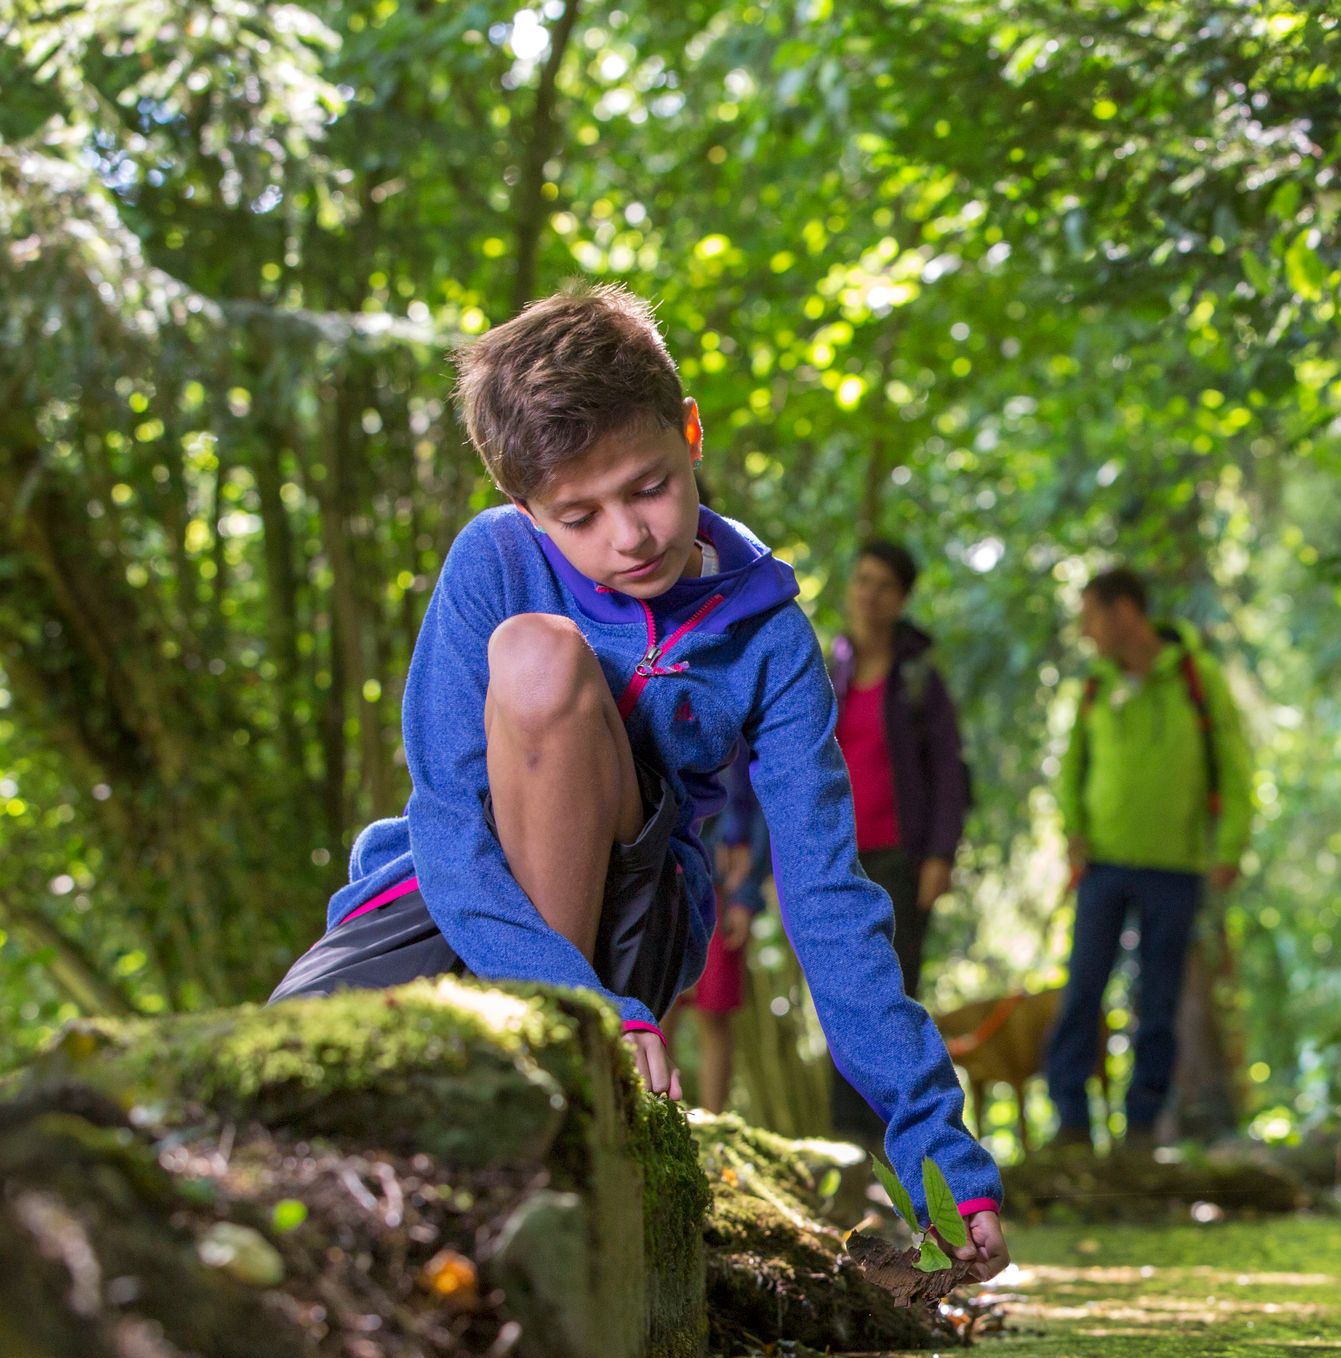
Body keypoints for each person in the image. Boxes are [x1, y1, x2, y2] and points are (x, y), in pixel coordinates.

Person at [267, 284, 1005, 1278]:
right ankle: (525, 1038)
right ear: (528, 510)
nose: (630, 535)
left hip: (627, 928)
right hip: (456, 891)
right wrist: (569, 991)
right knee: (267, 1083)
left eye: (648, 486)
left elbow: (829, 897)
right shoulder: (491, 557)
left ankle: (551, 1081)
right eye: (580, 514)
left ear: (689, 430)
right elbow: (446, 816)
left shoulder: (770, 638)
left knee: (537, 658)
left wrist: (934, 1141)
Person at [1045, 567, 1253, 1148]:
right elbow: (1071, 771)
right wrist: (1073, 832)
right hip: (1103, 865)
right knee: (1083, 988)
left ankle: (1142, 1126)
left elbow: (1235, 769)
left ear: (1124, 612)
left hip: (1177, 867)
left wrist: (1229, 847)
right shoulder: (1093, 686)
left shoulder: (1194, 677)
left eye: (1091, 615)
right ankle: (1070, 1123)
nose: (1086, 631)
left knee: (1157, 1001)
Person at [828, 537, 972, 1138]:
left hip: (900, 862)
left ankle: (898, 1143)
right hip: (835, 863)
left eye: (884, 585)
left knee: (891, 1002)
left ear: (902, 598)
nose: (869, 595)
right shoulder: (828, 669)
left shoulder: (918, 678)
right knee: (839, 1000)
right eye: (863, 580)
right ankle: (845, 1144)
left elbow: (950, 772)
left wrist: (940, 855)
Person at [670, 745, 767, 1115]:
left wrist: (745, 895)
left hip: (721, 880)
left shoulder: (741, 716)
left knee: (713, 1010)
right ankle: (659, 1109)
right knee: (661, 1002)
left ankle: (713, 1123)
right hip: (666, 874)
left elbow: (755, 802)